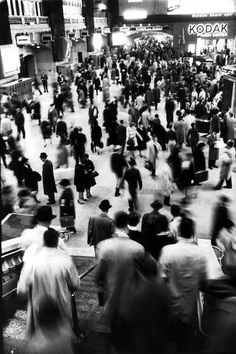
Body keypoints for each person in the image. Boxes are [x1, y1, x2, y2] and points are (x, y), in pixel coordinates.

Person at [95, 222, 165, 354]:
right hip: (132, 298)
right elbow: (153, 265)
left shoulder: (104, 246)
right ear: (127, 231)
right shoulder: (136, 247)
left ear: (113, 230)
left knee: (115, 333)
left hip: (112, 297)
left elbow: (98, 276)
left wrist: (100, 291)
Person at [17, 228, 80, 337]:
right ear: (57, 242)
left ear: (44, 242)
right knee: (62, 336)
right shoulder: (66, 261)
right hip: (61, 306)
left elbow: (22, 289)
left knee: (42, 336)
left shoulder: (32, 262)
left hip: (40, 308)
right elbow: (75, 284)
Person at [159, 216, 207, 352]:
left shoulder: (168, 251)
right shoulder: (200, 254)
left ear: (179, 231)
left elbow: (160, 280)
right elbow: (204, 284)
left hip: (170, 303)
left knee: (168, 337)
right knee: (184, 339)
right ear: (192, 232)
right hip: (189, 306)